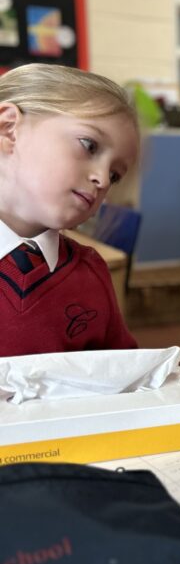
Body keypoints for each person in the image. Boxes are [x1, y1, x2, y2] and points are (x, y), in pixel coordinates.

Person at [0, 63, 139, 355]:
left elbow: (121, 375)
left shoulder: (92, 274)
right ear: (9, 128)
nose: (102, 179)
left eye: (115, 175)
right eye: (89, 145)